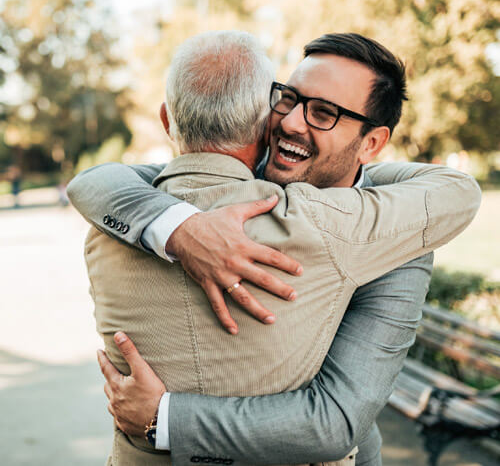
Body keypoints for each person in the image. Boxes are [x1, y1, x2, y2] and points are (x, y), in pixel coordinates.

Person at [68, 31, 481, 466]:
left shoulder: (400, 237)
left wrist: (164, 418)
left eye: (323, 113)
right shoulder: (240, 176)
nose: (290, 122)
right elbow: (101, 181)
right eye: (287, 98)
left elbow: (335, 421)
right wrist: (180, 228)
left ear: (372, 142)